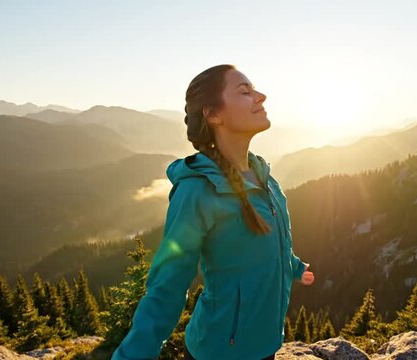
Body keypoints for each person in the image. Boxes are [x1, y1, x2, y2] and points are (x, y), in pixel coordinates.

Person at [111, 64, 315, 360]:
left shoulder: (265, 177)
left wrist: (295, 267)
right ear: (214, 114)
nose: (261, 96)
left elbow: (267, 243)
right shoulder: (198, 191)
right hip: (220, 350)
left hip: (266, 346)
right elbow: (167, 286)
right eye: (245, 91)